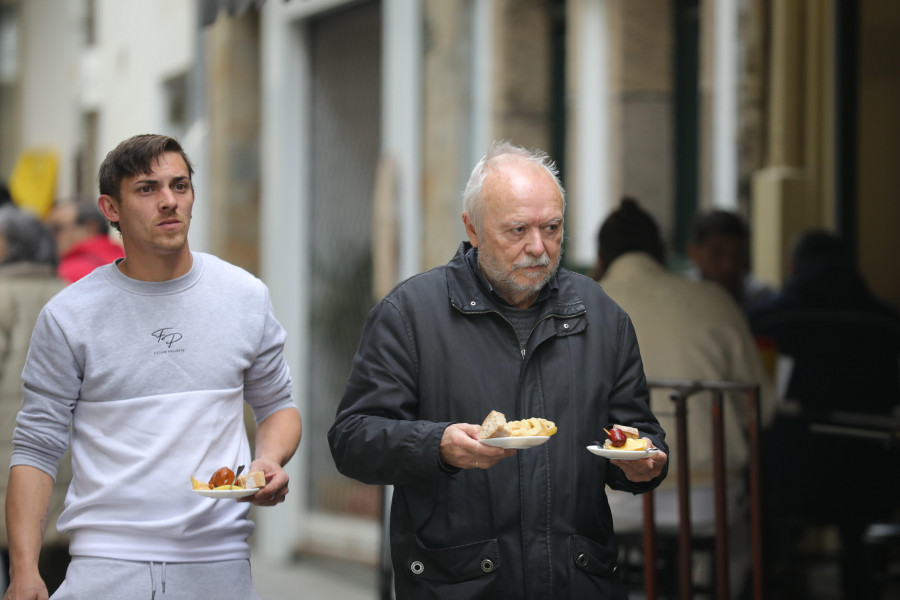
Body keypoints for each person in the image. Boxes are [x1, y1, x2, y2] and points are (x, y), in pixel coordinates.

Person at [328, 142, 668, 599]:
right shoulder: (410, 315)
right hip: (459, 584)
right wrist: (438, 446)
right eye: (517, 230)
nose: (538, 247)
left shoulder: (602, 315)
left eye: (552, 228)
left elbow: (637, 433)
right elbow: (352, 441)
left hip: (577, 580)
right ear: (472, 228)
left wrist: (642, 464)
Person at [6, 134, 303, 600]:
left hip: (219, 562)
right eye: (147, 189)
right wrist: (24, 571)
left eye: (179, 186)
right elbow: (36, 448)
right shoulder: (70, 314)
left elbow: (278, 407)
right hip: (104, 564)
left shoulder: (244, 296)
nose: (169, 201)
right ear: (110, 208)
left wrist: (268, 459)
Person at [594, 197, 773, 596]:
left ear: (602, 258)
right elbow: (762, 408)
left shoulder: (584, 305)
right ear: (662, 253)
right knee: (737, 537)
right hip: (708, 498)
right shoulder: (714, 301)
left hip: (614, 499)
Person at [748, 229, 900, 599]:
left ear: (793, 267)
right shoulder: (887, 322)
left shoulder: (765, 320)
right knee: (856, 526)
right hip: (872, 476)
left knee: (770, 522)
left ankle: (771, 581)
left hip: (788, 475)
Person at [0, 207, 69, 595]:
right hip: (63, 453)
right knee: (54, 569)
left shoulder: (2, 295)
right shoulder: (68, 291)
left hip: (10, 456)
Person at [687, 209, 776, 313]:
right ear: (694, 253)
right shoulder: (680, 298)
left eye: (737, 254)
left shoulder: (763, 300)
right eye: (717, 255)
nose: (728, 266)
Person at [44, 198, 124, 283]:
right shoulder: (127, 263)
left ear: (91, 228)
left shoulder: (67, 272)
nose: (51, 236)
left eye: (57, 229)